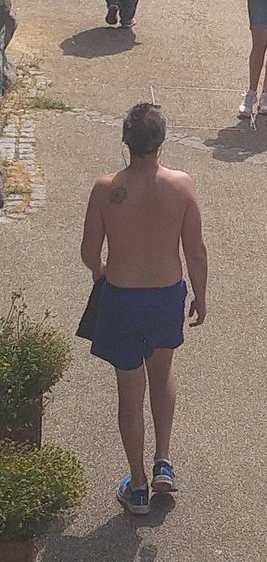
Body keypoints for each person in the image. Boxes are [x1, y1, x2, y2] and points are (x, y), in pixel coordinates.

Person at [80, 102, 207, 514]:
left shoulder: (105, 188)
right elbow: (196, 250)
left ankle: (136, 484)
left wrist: (102, 270)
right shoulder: (182, 186)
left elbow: (88, 251)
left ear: (125, 141)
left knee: (129, 391)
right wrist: (200, 295)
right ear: (162, 141)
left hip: (121, 295)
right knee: (163, 371)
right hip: (166, 293)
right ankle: (163, 462)